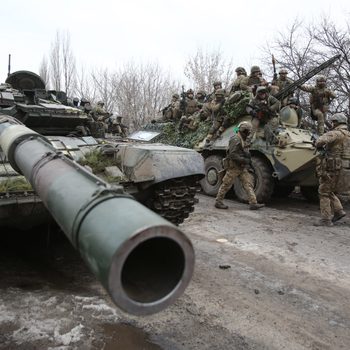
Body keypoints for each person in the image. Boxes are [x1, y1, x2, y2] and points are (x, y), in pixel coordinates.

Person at [214, 121, 265, 210]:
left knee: (248, 184)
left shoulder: (241, 138)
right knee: (226, 184)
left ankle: (253, 203)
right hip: (234, 167)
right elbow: (232, 154)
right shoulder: (236, 139)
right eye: (248, 132)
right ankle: (218, 202)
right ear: (244, 130)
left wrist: (246, 158)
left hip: (241, 167)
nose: (249, 134)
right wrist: (244, 159)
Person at [313, 113, 350, 226]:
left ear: (336, 122)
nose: (332, 124)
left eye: (333, 122)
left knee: (323, 191)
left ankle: (326, 219)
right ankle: (339, 211)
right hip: (345, 168)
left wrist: (316, 143)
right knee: (329, 190)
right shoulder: (348, 134)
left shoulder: (335, 133)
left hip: (334, 167)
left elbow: (320, 141)